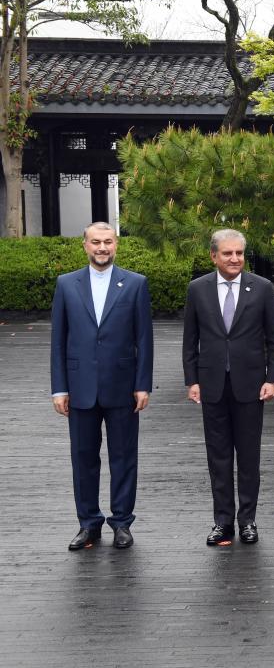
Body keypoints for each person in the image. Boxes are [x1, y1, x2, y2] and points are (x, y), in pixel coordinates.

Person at [51, 222, 154, 551]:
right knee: (83, 457)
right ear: (84, 245)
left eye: (107, 242)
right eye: (95, 242)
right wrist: (59, 388)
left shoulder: (135, 284)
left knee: (124, 456)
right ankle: (88, 524)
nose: (102, 248)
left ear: (116, 244)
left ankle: (122, 522)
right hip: (80, 387)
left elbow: (144, 339)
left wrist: (143, 385)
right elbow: (58, 342)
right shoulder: (66, 285)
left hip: (123, 387)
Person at [183, 229, 274, 546]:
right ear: (214, 256)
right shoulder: (197, 289)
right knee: (219, 457)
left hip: (251, 385)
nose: (235, 259)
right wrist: (192, 380)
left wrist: (273, 378)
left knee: (249, 457)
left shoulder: (263, 288)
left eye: (239, 253)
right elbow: (190, 340)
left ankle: (248, 521)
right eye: (227, 253)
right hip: (212, 384)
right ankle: (223, 522)